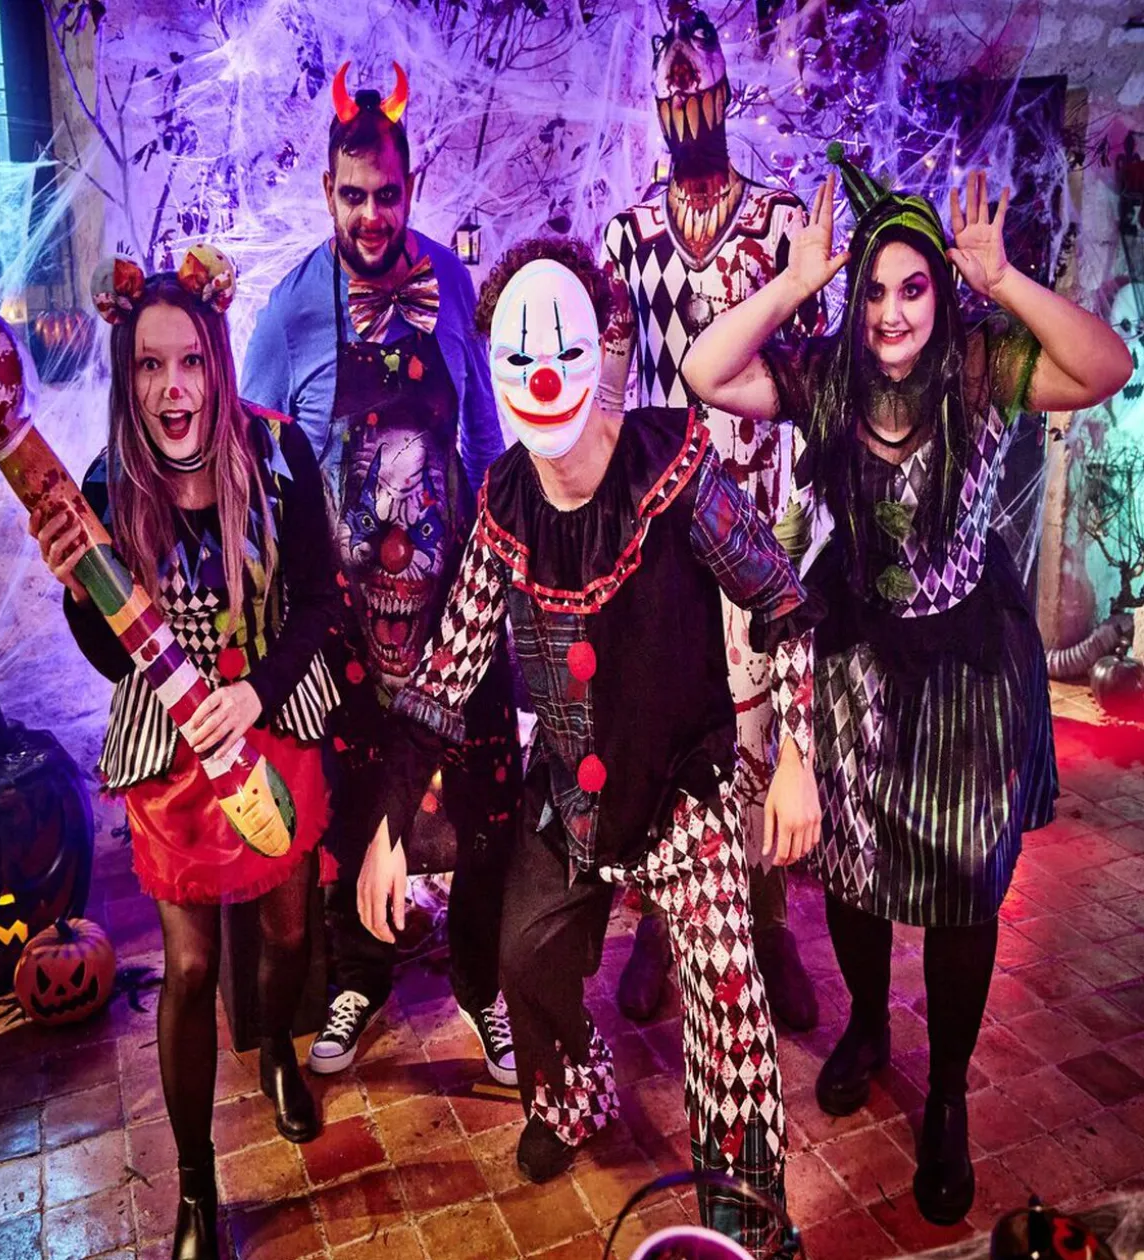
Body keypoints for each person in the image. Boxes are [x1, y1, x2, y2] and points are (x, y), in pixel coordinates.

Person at [683, 152, 1133, 1225]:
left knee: (963, 884)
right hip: (858, 654)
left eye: (914, 287)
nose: (891, 312)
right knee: (854, 870)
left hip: (966, 665)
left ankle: (947, 1097)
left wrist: (1005, 281)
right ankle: (871, 1026)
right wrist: (795, 284)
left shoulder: (982, 366)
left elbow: (1107, 365)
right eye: (875, 291)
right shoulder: (829, 377)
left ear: (941, 290)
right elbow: (706, 372)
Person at [358, 238, 822, 1253]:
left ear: (605, 344)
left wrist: (796, 755)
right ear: (495, 367)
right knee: (522, 955)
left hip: (682, 792)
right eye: (519, 358)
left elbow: (781, 599)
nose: (545, 378)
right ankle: (574, 1096)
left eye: (564, 351)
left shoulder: (672, 465)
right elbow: (447, 669)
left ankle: (746, 1225)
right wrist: (392, 829)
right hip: (570, 797)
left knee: (730, 1007)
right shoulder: (503, 505)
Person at [32, 248, 340, 1260]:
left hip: (274, 714)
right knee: (193, 963)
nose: (174, 388)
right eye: (151, 366)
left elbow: (320, 603)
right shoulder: (105, 485)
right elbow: (106, 653)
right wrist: (80, 590)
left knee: (289, 934)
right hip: (169, 744)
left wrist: (257, 692)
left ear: (217, 359)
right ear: (130, 378)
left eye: (191, 362)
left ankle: (279, 1048)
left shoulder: (280, 454)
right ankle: (200, 1188)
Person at [242, 64, 521, 1086]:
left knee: (489, 796)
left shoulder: (450, 282)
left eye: (389, 194)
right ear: (328, 192)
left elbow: (483, 436)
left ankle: (483, 985)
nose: (372, 215)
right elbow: (257, 453)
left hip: (456, 602)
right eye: (353, 195)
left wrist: (502, 564)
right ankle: (359, 978)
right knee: (357, 795)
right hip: (349, 615)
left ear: (413, 188)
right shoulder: (289, 310)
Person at [599, 4, 823, 1030]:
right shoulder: (628, 235)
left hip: (759, 515)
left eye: (701, 88)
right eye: (670, 93)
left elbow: (811, 383)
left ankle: (767, 923)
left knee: (758, 720)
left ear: (729, 95)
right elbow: (613, 389)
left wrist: (808, 507)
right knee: (668, 721)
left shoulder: (781, 225)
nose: (686, 107)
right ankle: (662, 922)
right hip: (663, 527)